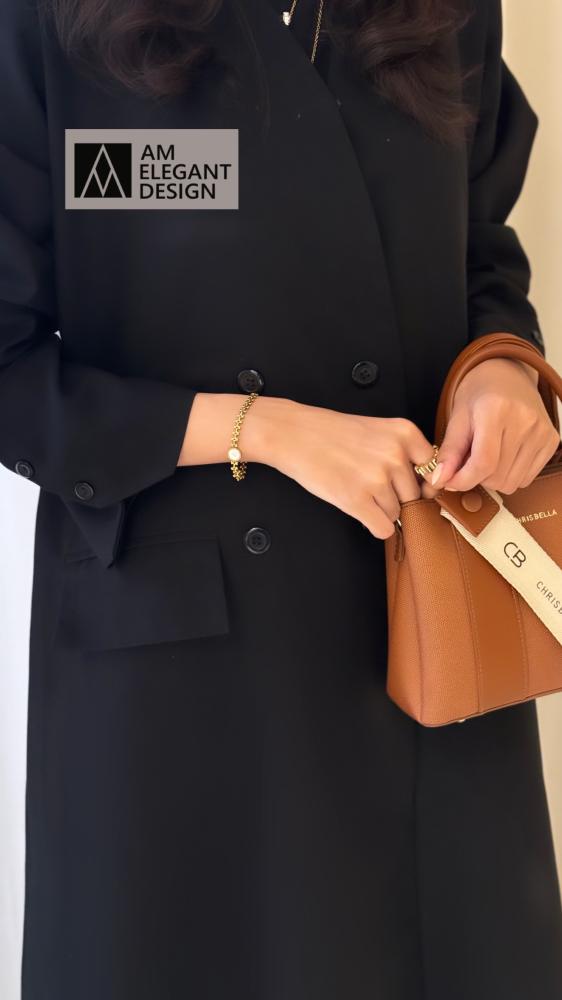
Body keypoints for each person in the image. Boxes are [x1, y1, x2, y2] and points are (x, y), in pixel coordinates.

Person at [1, 0, 561, 997]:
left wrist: (501, 367)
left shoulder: (446, 12)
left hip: (427, 634)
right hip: (176, 678)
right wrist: (264, 430)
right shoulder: (50, 24)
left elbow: (481, 246)